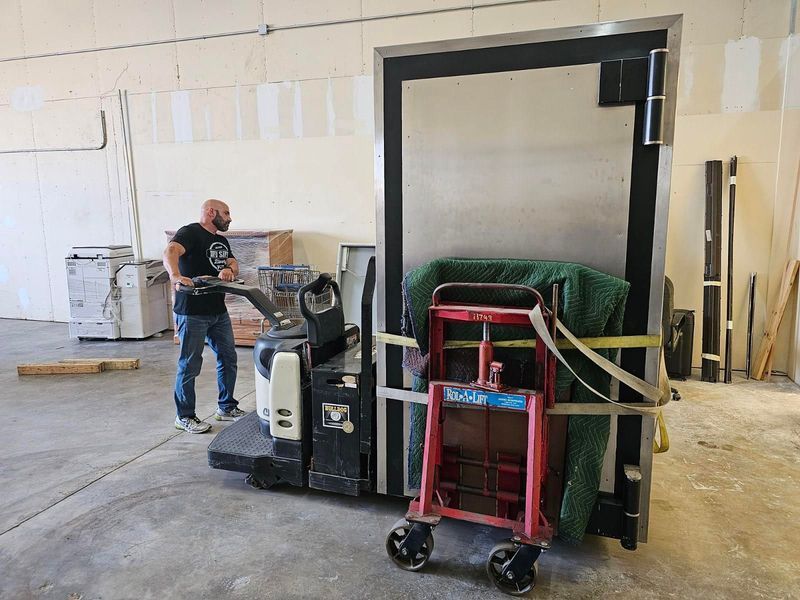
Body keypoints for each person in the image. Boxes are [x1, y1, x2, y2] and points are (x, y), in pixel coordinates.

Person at [163, 199, 247, 433]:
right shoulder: (190, 233)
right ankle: (185, 416)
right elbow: (170, 251)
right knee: (190, 364)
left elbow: (232, 260)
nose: (229, 218)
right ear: (211, 212)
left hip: (217, 311)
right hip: (192, 312)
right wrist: (176, 276)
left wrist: (229, 269)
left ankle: (227, 407)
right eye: (226, 213)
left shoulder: (220, 240)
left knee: (228, 358)